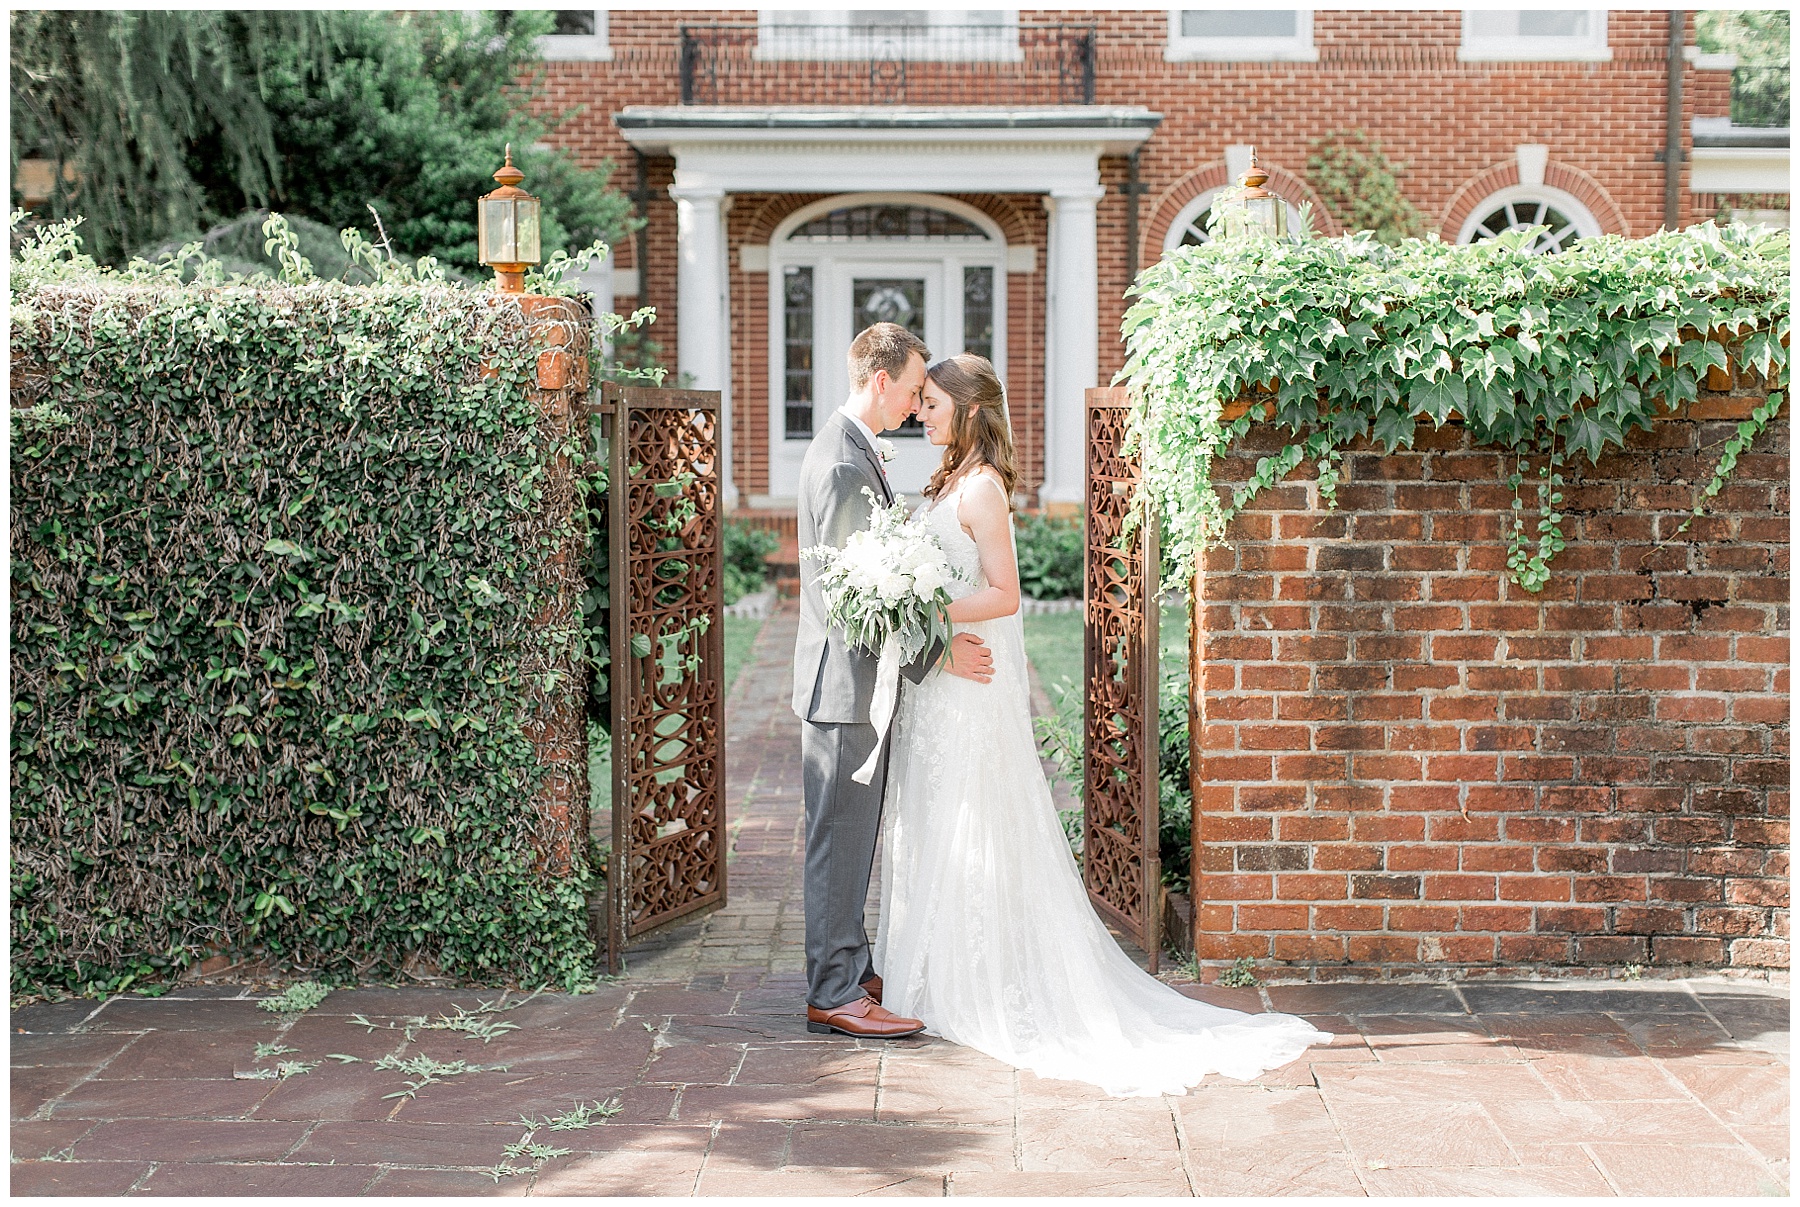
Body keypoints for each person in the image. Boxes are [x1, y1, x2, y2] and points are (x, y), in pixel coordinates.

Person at [874, 352, 1331, 1097]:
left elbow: (1005, 595)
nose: (921, 413)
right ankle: (930, 970)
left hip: (968, 685)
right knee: (933, 817)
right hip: (941, 680)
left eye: (931, 403)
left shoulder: (981, 490)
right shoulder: (947, 481)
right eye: (920, 403)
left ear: (967, 408)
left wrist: (920, 614)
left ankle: (975, 982)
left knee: (971, 817)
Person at [792, 323, 995, 1040]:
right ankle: (834, 989)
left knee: (848, 836)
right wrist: (937, 655)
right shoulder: (847, 462)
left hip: (847, 687)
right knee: (839, 841)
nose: (915, 406)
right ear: (881, 382)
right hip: (846, 689)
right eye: (912, 390)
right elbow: (858, 604)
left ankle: (851, 965)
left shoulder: (850, 448)